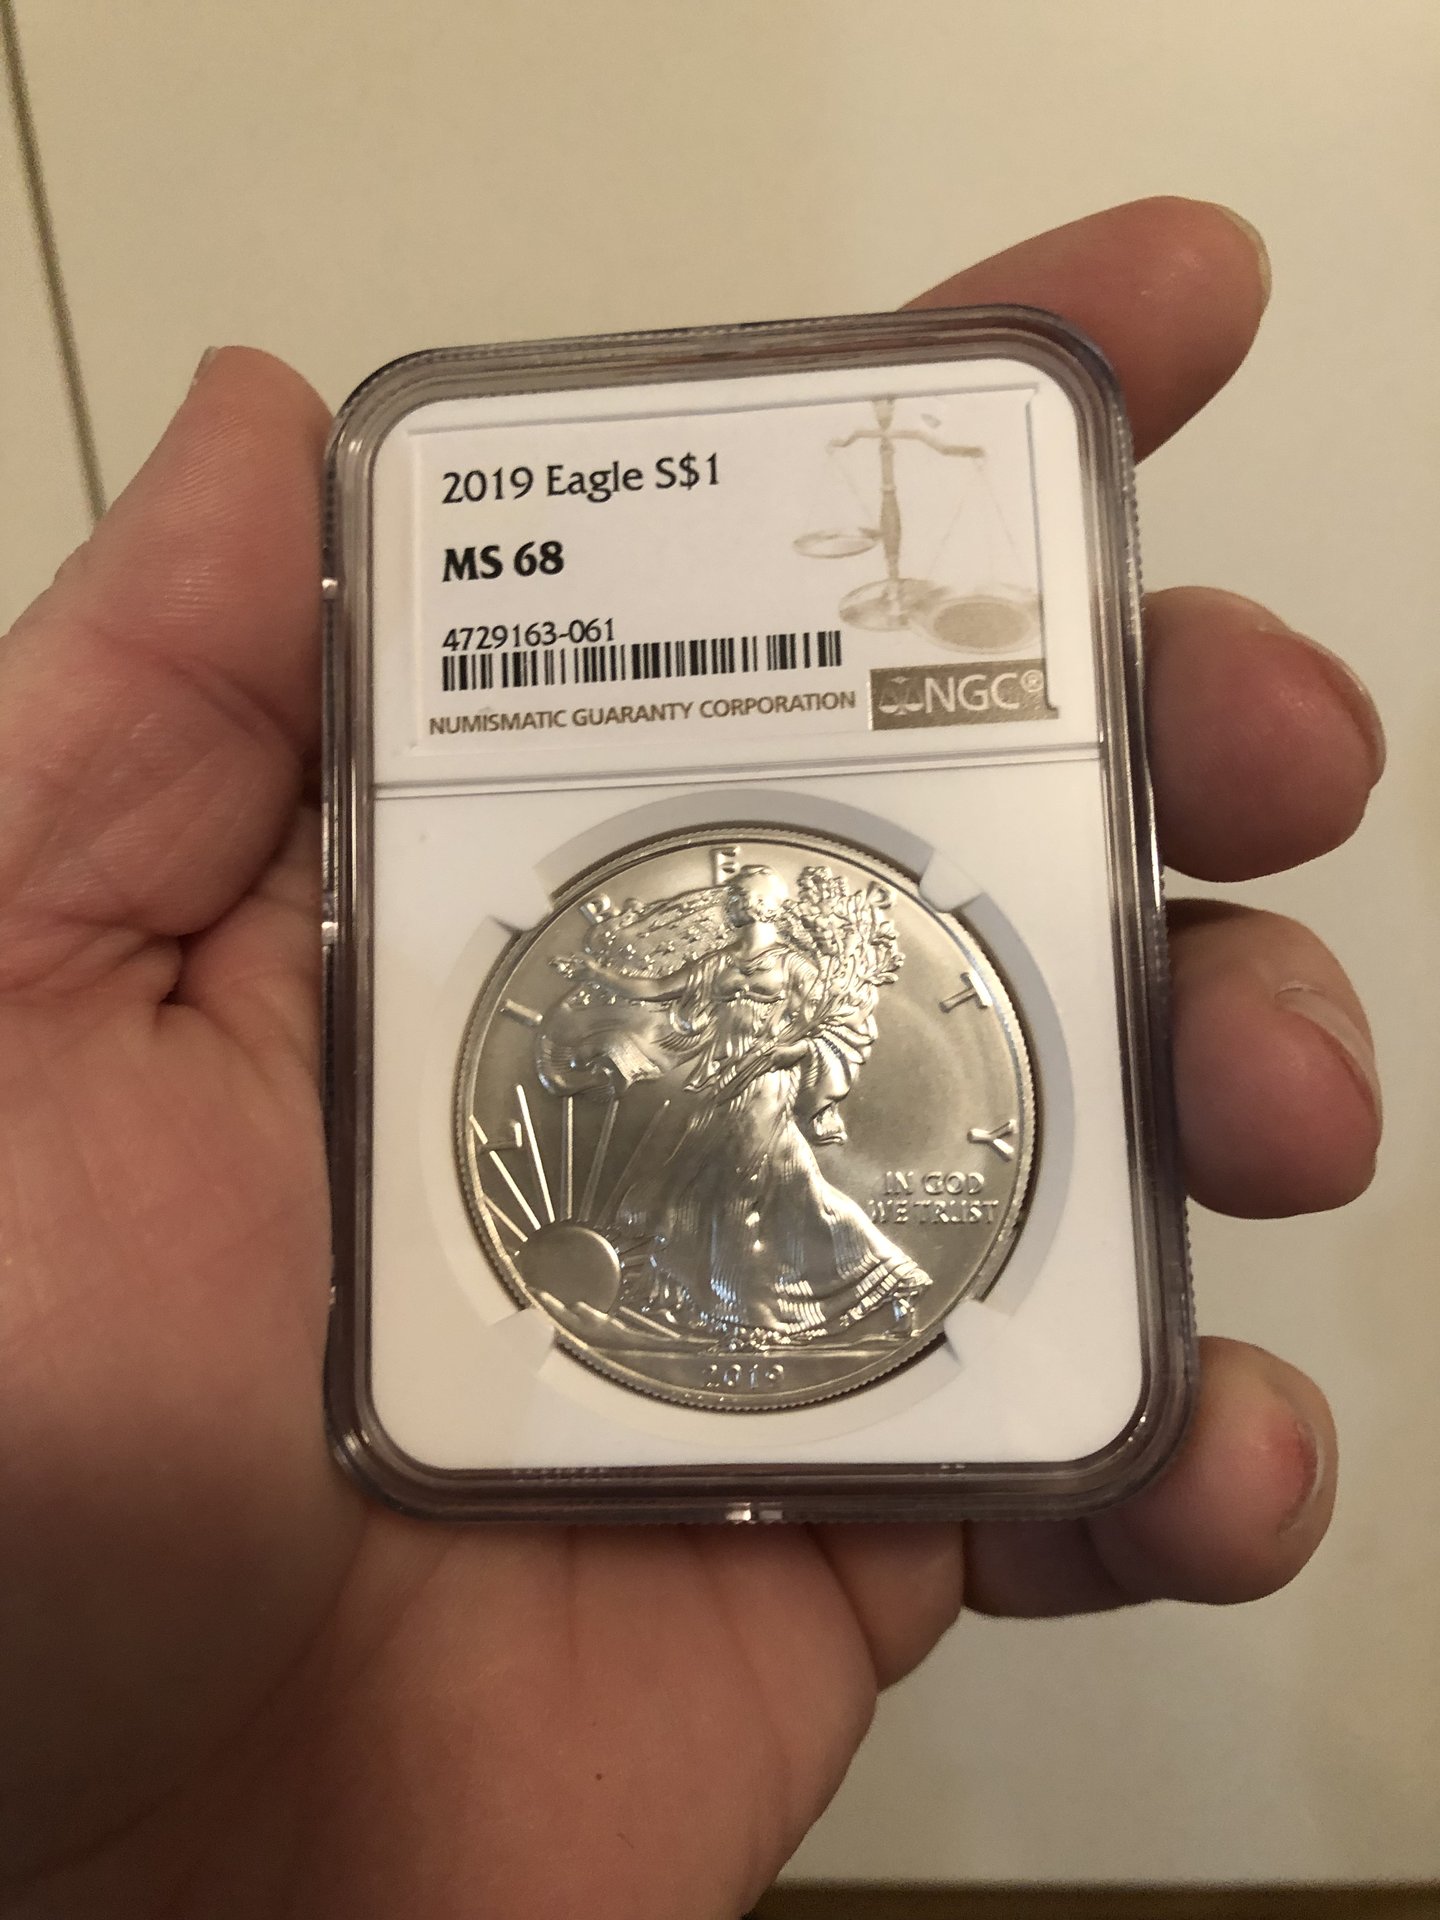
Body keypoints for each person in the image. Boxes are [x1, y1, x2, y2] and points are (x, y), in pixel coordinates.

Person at [0, 199, 1383, 1918]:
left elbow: (775, 1033)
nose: (730, 921)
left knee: (841, 1186)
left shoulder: (783, 993)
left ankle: (814, 1241)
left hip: (751, 1125)